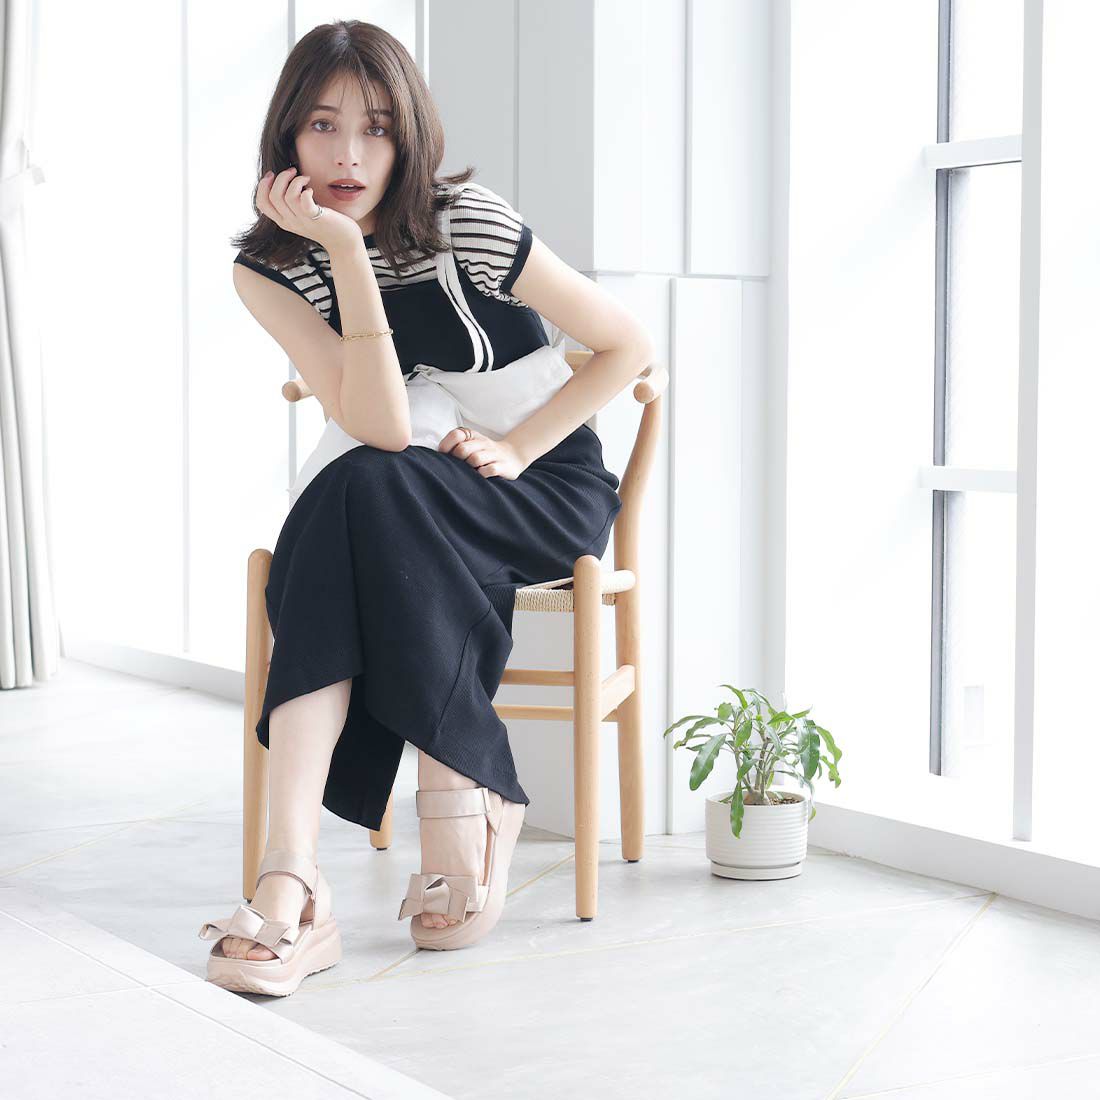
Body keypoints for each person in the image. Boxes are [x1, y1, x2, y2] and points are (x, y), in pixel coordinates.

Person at [198, 19, 655, 996]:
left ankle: (294, 881)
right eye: (323, 126)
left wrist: (518, 447)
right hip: (412, 482)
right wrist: (341, 251)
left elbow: (626, 346)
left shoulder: (467, 224)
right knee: (365, 481)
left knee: (356, 496)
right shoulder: (269, 270)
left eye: (375, 129)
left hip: (541, 483)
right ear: (287, 136)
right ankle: (339, 845)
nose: (348, 156)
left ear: (408, 137)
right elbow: (381, 424)